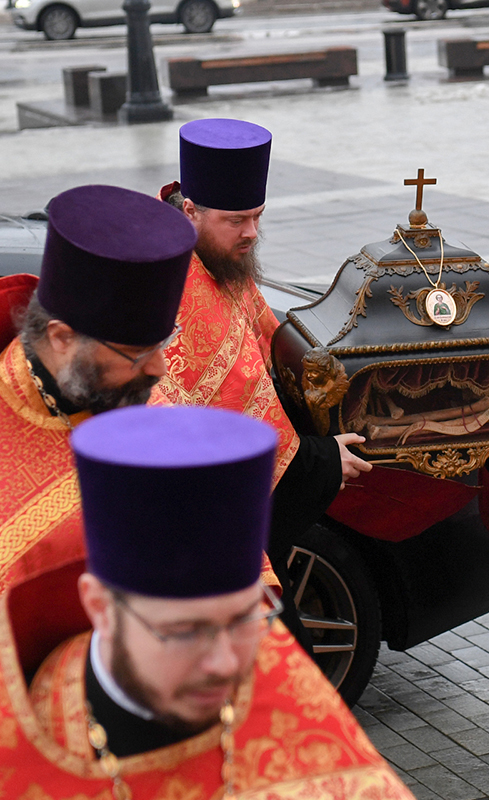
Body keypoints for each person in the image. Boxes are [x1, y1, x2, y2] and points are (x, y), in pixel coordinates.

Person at [0, 404, 413, 797]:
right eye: (185, 631)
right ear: (100, 607)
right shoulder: (18, 743)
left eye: (244, 621)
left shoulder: (288, 693)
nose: (227, 666)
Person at [153, 118, 372, 649]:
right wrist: (323, 463)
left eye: (257, 216)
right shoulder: (175, 283)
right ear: (190, 211)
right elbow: (222, 422)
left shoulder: (221, 260)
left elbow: (271, 347)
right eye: (236, 220)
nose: (251, 233)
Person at [0, 184, 195, 592]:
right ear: (61, 338)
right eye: (136, 353)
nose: (160, 370)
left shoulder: (134, 395)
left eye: (160, 345)